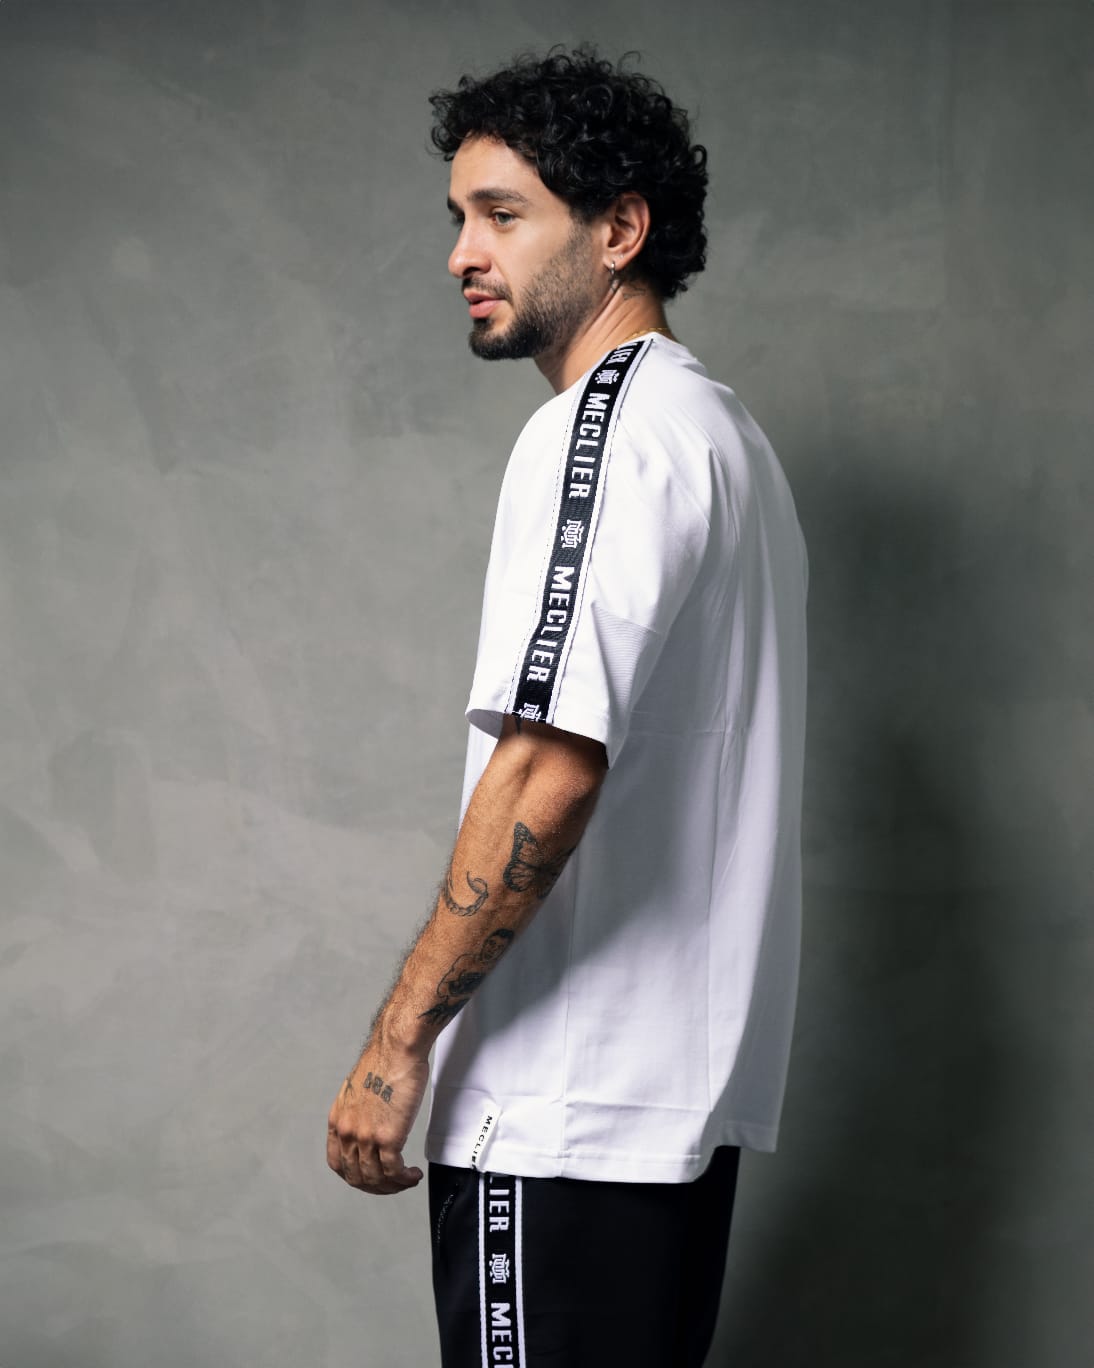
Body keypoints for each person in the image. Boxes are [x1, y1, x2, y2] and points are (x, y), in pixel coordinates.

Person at [327, 47, 808, 1368]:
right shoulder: (721, 436)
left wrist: (397, 1043)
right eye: (456, 218)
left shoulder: (601, 433)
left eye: (503, 214)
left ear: (618, 230)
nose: (462, 254)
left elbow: (551, 765)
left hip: (562, 1116)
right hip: (661, 1115)